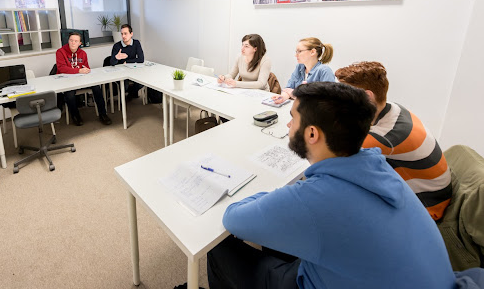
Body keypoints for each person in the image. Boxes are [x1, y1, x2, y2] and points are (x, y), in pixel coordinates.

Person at [206, 82, 480, 289]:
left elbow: (234, 218)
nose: (288, 124)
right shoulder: (381, 168)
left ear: (312, 133)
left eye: (293, 118)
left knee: (218, 248)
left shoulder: (315, 200)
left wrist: (274, 198)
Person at [335, 61, 452, 220]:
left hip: (427, 208)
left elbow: (334, 153)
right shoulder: (392, 108)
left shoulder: (386, 134)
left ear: (367, 96)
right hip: (431, 192)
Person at [56, 32, 112, 126]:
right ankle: (75, 116)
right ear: (68, 41)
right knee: (69, 94)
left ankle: (103, 114)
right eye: (71, 40)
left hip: (81, 79)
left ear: (80, 43)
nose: (73, 43)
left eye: (76, 41)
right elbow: (61, 68)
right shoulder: (60, 52)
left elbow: (86, 67)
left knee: (97, 88)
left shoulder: (83, 53)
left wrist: (85, 70)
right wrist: (79, 71)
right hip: (67, 81)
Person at [272, 37, 335, 104]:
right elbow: (289, 88)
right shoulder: (299, 67)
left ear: (312, 52)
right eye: (296, 52)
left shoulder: (325, 71)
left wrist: (296, 95)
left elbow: (328, 100)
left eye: (300, 51)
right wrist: (282, 97)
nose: (296, 55)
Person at [110, 23, 144, 101]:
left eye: (125, 33)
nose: (123, 36)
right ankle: (127, 95)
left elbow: (141, 59)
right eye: (122, 34)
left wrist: (127, 61)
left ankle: (130, 94)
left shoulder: (136, 43)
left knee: (141, 83)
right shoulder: (117, 46)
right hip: (121, 72)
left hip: (133, 70)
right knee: (124, 86)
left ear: (131, 34)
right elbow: (112, 63)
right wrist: (116, 57)